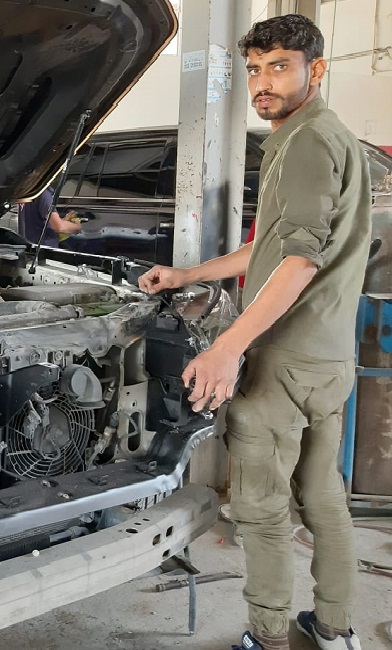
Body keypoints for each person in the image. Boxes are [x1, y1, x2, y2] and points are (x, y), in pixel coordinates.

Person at [137, 15, 371, 650]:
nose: (263, 83)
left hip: (282, 361)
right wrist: (187, 274)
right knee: (324, 501)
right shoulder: (326, 135)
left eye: (280, 67)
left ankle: (267, 638)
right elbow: (267, 249)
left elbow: (299, 262)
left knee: (262, 511)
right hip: (328, 360)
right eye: (255, 70)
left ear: (315, 70)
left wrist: (227, 346)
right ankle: (334, 631)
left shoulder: (307, 143)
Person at [16, 187, 81, 247]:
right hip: (44, 250)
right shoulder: (44, 194)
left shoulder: (31, 192)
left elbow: (36, 221)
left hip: (30, 246)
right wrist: (77, 227)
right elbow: (58, 227)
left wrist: (63, 221)